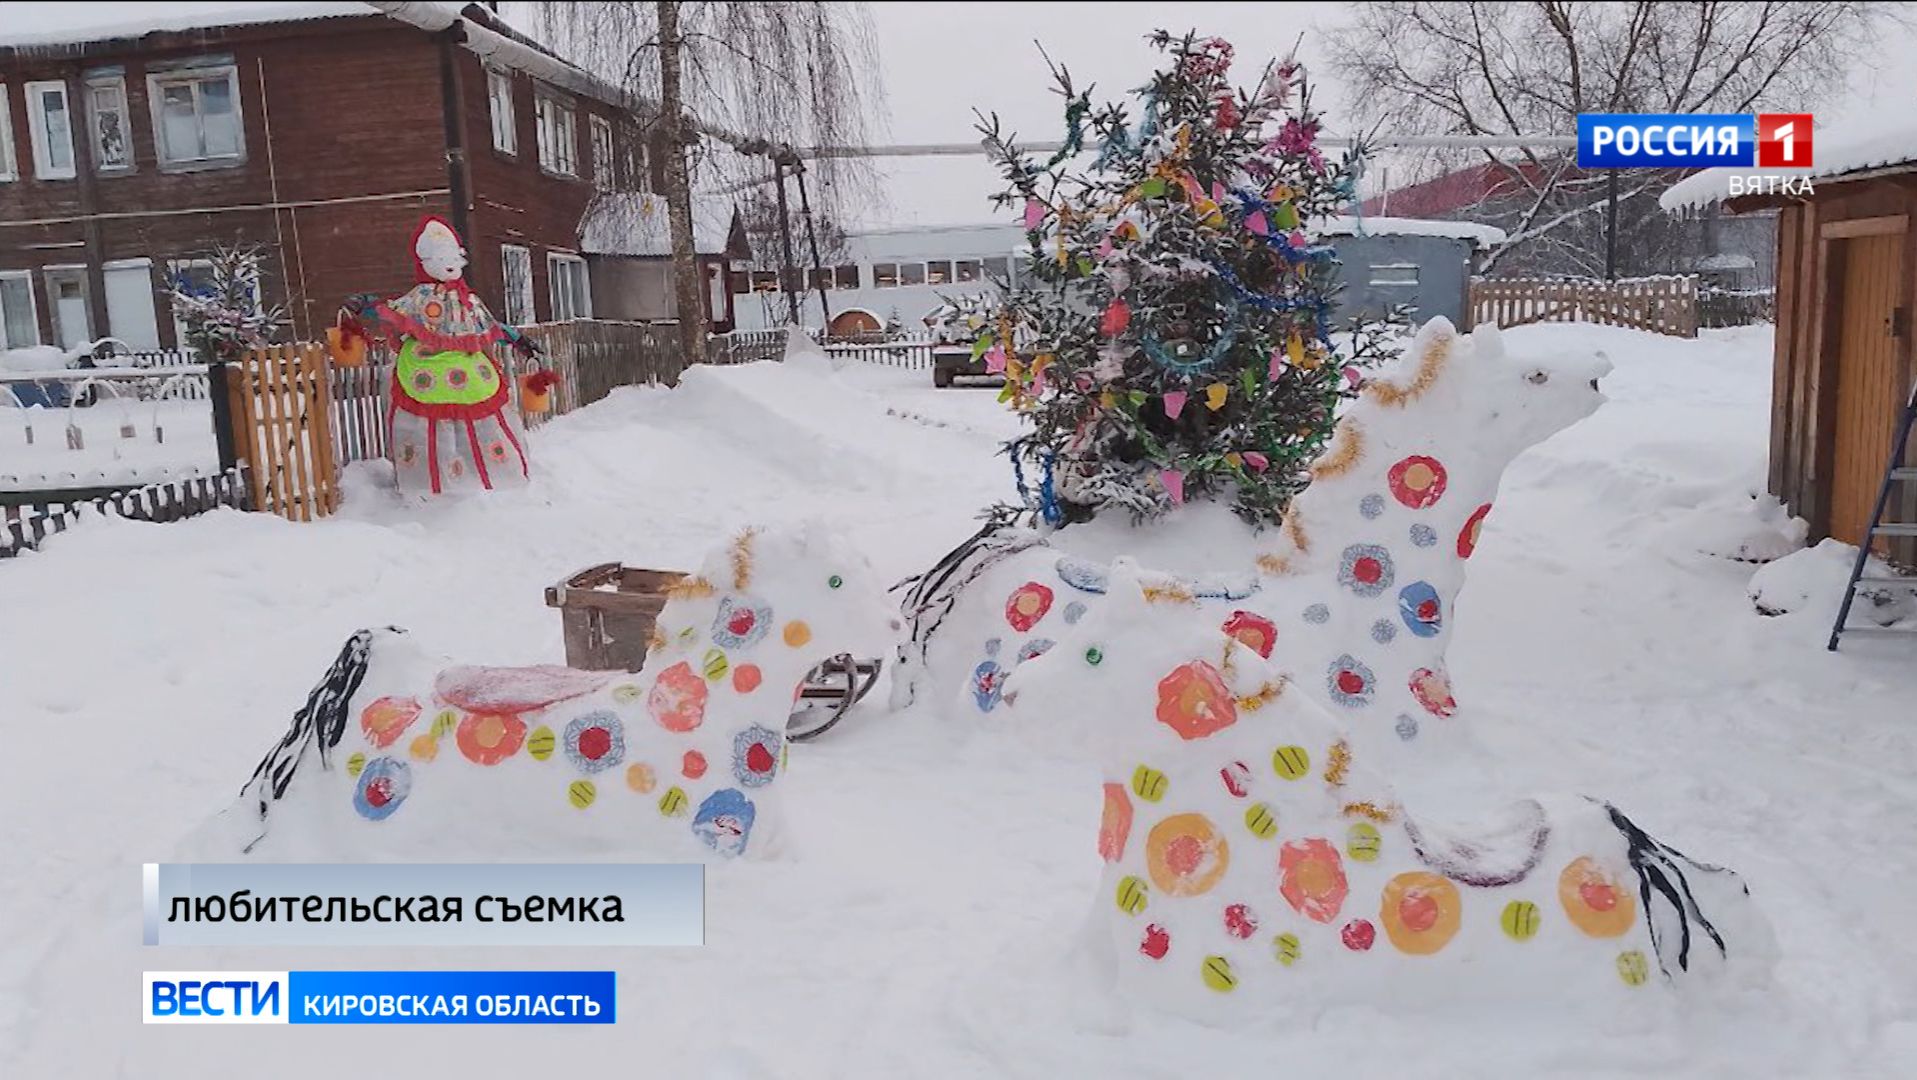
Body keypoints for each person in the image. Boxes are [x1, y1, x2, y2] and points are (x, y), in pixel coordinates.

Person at [343, 216, 546, 495]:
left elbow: (488, 325)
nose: (449, 263)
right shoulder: (423, 297)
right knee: (453, 422)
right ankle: (446, 481)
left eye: (453, 256)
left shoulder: (467, 300)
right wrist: (368, 306)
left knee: (453, 421)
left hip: (453, 375)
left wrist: (517, 338)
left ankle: (464, 477)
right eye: (440, 257)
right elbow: (394, 312)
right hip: (449, 374)